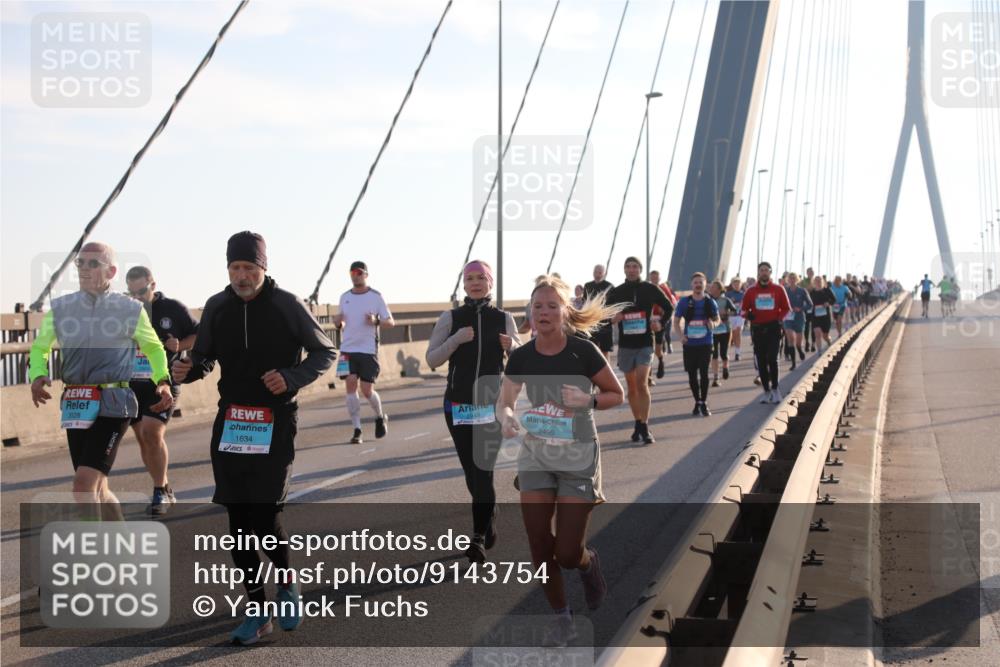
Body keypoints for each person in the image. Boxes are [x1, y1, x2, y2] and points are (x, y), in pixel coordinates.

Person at [172, 231, 335, 644]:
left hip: (276, 419)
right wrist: (187, 370)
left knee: (265, 513)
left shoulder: (286, 304)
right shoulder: (218, 306)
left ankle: (287, 587)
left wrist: (291, 378)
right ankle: (257, 610)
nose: (242, 276)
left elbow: (325, 351)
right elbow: (205, 356)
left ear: (264, 267)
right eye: (235, 268)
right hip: (232, 421)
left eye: (249, 267)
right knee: (238, 520)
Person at [497, 274, 625, 646]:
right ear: (530, 314)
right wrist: (506, 417)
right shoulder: (521, 355)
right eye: (537, 306)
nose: (544, 312)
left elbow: (615, 394)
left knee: (567, 553)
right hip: (537, 454)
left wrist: (588, 400)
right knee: (539, 544)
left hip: (578, 454)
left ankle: (588, 564)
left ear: (565, 311)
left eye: (552, 305)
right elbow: (504, 401)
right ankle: (562, 618)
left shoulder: (583, 351)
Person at [29, 242, 173, 518]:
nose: (84, 268)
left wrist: (162, 380)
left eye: (93, 264)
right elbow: (39, 348)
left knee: (83, 486)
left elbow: (154, 347)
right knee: (98, 488)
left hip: (113, 402)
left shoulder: (129, 309)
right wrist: (37, 374)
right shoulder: (61, 308)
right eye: (80, 263)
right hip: (75, 404)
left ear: (111, 271)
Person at [426, 260, 520, 564]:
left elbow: (521, 363)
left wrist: (513, 346)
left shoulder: (504, 319)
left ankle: (477, 536)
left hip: (490, 407)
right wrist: (455, 340)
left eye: (482, 278)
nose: (476, 283)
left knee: (483, 470)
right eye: (470, 278)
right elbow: (431, 360)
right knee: (472, 472)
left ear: (490, 283)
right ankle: (489, 511)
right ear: (464, 284)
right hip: (457, 406)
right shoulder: (451, 318)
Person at [124, 266, 199, 515]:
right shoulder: (126, 310)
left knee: (152, 432)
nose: (137, 297)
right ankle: (164, 486)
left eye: (142, 291)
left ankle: (159, 491)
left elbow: (198, 335)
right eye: (132, 293)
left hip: (164, 382)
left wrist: (181, 344)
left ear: (153, 285)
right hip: (133, 382)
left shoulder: (172, 308)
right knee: (144, 440)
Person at [605, 257, 674, 444]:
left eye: (635, 266)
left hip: (645, 342)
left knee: (642, 382)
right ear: (624, 270)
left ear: (640, 270)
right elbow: (604, 313)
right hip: (626, 344)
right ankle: (637, 423)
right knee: (632, 387)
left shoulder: (650, 289)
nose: (631, 269)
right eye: (628, 266)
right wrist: (613, 318)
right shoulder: (617, 292)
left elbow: (669, 307)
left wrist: (660, 322)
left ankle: (645, 425)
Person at [335, 261, 395, 444]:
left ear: (366, 275)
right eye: (353, 272)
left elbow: (390, 322)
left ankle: (379, 416)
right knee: (350, 384)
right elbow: (341, 323)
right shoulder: (344, 297)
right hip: (347, 350)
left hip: (368, 350)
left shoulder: (376, 296)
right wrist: (338, 323)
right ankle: (357, 429)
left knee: (367, 390)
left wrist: (376, 320)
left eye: (359, 272)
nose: (356, 275)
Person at [741, 262, 791, 404]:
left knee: (772, 359)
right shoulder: (751, 291)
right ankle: (766, 391)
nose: (763, 272)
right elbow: (742, 310)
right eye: (761, 270)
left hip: (773, 328)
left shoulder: (778, 289)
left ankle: (775, 390)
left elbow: (787, 308)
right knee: (761, 361)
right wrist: (748, 315)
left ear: (770, 272)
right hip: (757, 329)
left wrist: (780, 319)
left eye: (766, 270)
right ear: (758, 272)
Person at [673, 273, 721, 416]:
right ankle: (697, 401)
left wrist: (713, 323)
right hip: (690, 343)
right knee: (692, 375)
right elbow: (676, 322)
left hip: (705, 342)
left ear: (705, 284)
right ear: (692, 285)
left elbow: (717, 319)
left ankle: (704, 402)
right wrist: (681, 336)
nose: (698, 284)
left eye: (701, 282)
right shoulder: (684, 302)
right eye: (695, 282)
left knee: (704, 373)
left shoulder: (710, 302)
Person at [648, 270, 678, 380]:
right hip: (647, 322)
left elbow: (672, 304)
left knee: (657, 349)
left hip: (659, 321)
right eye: (652, 277)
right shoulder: (647, 288)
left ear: (660, 278)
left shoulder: (664, 288)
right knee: (648, 349)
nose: (654, 279)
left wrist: (663, 314)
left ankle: (660, 360)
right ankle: (649, 376)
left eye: (656, 277)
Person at [583, 265, 614, 362]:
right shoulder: (587, 285)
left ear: (604, 273)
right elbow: (585, 302)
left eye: (600, 272)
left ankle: (607, 371)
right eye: (596, 271)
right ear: (593, 272)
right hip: (591, 321)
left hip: (605, 322)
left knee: (605, 350)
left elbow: (613, 304)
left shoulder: (609, 286)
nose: (598, 273)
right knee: (592, 348)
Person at [708, 280, 737, 386]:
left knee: (723, 354)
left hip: (725, 330)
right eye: (711, 287)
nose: (711, 289)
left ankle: (725, 367)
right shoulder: (708, 300)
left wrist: (726, 312)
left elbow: (735, 311)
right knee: (714, 354)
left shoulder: (726, 300)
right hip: (712, 330)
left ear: (720, 289)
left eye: (714, 287)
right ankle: (716, 377)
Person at [782, 273, 812, 371]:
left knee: (798, 342)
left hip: (799, 317)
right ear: (787, 280)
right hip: (788, 318)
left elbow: (810, 304)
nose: (792, 280)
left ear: (797, 279)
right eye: (790, 278)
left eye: (794, 278)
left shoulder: (802, 291)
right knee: (790, 339)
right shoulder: (785, 290)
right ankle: (793, 363)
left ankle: (799, 350)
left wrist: (801, 308)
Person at [808, 276, 837, 352]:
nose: (818, 282)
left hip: (825, 316)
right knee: (817, 334)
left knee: (825, 336)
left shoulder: (827, 290)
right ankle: (819, 352)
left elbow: (834, 300)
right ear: (814, 282)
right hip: (815, 316)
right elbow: (808, 302)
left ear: (822, 282)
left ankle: (828, 341)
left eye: (819, 280)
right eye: (816, 280)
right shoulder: (812, 292)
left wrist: (828, 303)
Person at [725, 277, 745, 361]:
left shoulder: (744, 294)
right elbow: (724, 305)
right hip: (731, 316)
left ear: (741, 285)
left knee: (738, 332)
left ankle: (737, 353)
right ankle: (726, 353)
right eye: (735, 284)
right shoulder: (728, 294)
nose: (736, 285)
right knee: (731, 335)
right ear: (732, 285)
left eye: (738, 284)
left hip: (740, 316)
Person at [803, 268, 816, 351]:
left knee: (814, 326)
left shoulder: (816, 280)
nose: (810, 273)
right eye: (809, 272)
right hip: (806, 306)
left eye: (812, 272)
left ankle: (813, 344)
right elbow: (801, 290)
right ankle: (807, 342)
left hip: (815, 306)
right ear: (807, 273)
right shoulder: (803, 281)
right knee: (806, 326)